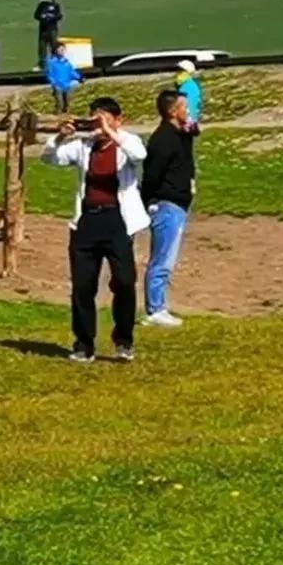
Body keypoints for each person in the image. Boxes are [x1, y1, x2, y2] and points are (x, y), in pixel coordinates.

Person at [42, 96, 147, 363]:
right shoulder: (83, 145)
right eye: (94, 118)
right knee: (82, 286)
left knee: (124, 281)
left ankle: (123, 340)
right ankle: (83, 344)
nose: (97, 125)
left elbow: (140, 155)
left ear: (118, 120)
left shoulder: (127, 142)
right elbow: (50, 159)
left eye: (104, 118)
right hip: (87, 222)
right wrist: (59, 137)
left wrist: (111, 131)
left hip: (118, 221)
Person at [140, 88, 197, 328]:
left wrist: (191, 126)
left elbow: (192, 133)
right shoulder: (162, 140)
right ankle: (155, 309)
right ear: (173, 111)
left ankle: (159, 306)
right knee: (162, 259)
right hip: (166, 205)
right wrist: (150, 201)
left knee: (167, 258)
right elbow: (152, 175)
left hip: (178, 204)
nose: (189, 111)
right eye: (185, 107)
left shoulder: (178, 134)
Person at [34, 0, 64, 68]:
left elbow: (60, 16)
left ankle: (55, 63)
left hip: (52, 30)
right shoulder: (41, 5)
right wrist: (42, 17)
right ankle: (42, 65)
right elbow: (36, 15)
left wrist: (51, 17)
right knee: (42, 49)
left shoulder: (55, 5)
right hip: (43, 31)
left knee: (54, 47)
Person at [172, 60, 204, 128]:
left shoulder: (190, 86)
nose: (177, 73)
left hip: (187, 123)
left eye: (181, 70)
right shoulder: (183, 86)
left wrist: (187, 124)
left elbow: (192, 105)